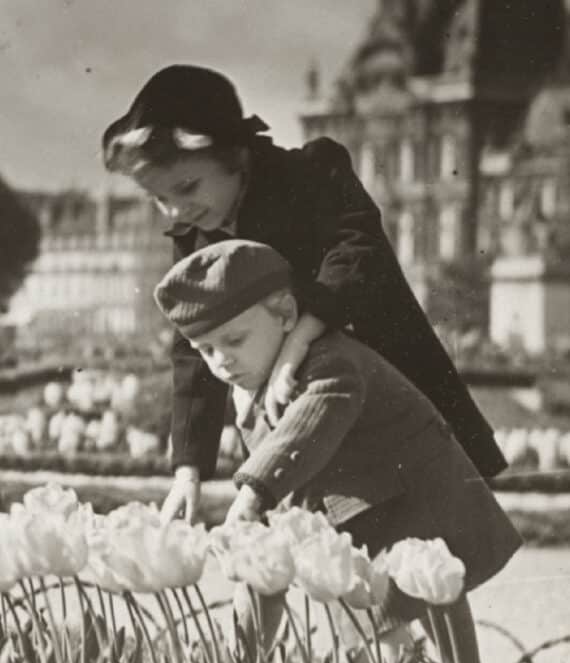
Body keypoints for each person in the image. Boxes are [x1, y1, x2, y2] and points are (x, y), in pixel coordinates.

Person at [102, 64, 507, 525]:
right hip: (307, 418)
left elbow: (359, 254)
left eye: (187, 186)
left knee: (418, 546)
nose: (177, 210)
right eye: (160, 198)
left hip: (387, 391)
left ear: (234, 154)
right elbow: (192, 348)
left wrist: (298, 340)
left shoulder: (310, 173)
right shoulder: (195, 230)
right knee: (334, 549)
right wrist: (188, 471)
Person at [153, 239, 521, 663]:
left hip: (413, 493)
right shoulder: (253, 382)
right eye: (205, 350)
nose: (221, 360)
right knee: (374, 618)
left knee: (421, 598)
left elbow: (306, 430)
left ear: (287, 315)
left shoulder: (330, 359)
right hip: (362, 508)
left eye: (234, 340)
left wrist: (250, 498)